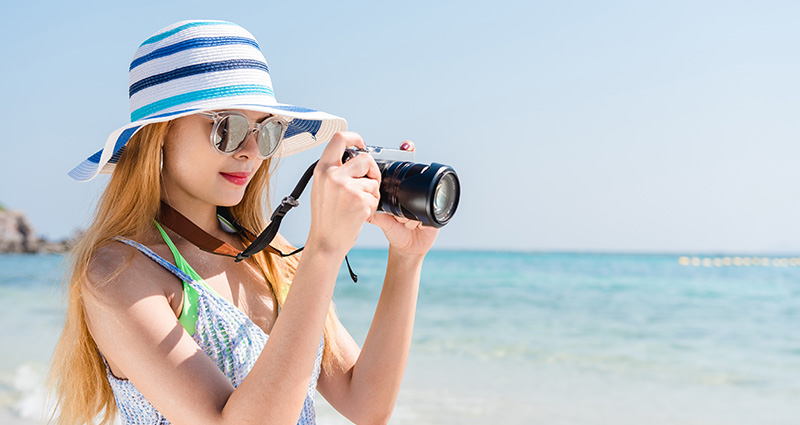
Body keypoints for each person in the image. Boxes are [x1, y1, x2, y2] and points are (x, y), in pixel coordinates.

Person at [49, 20, 439, 425]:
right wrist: (323, 250)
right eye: (228, 127)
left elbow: (367, 405)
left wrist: (407, 258)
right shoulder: (117, 273)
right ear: (159, 135)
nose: (252, 152)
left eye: (266, 131)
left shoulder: (272, 256)